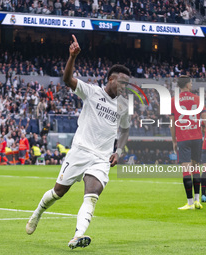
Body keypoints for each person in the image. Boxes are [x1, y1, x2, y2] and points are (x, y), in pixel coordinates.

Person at [26, 34, 130, 249]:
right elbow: (67, 80)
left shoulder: (124, 106)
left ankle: (77, 236)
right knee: (58, 193)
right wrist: (72, 57)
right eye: (122, 82)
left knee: (91, 196)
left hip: (101, 158)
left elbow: (126, 129)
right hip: (80, 151)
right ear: (111, 79)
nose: (124, 87)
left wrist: (118, 151)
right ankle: (37, 213)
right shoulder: (92, 92)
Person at [169, 75, 206, 210]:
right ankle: (197, 201)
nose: (192, 85)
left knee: (186, 169)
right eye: (191, 83)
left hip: (183, 137)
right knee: (195, 168)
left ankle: (189, 203)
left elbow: (172, 123)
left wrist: (174, 140)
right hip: (196, 137)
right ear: (188, 85)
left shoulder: (173, 100)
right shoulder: (198, 99)